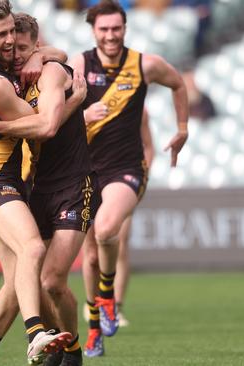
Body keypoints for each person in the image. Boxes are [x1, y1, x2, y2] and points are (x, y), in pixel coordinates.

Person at [0, 12, 97, 366]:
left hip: (68, 183)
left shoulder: (45, 70)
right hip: (12, 182)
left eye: (22, 44)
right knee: (31, 265)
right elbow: (41, 124)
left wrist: (45, 57)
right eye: (6, 40)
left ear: (36, 45)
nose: (15, 50)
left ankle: (59, 352)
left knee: (39, 280)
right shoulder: (1, 79)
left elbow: (47, 120)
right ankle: (36, 338)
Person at [68, 0, 189, 357]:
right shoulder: (78, 65)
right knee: (89, 256)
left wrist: (183, 128)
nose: (110, 35)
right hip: (84, 169)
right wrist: (82, 115)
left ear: (125, 28)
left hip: (126, 169)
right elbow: (54, 113)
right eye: (103, 29)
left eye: (116, 28)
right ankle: (94, 329)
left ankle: (108, 296)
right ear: (93, 32)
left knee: (107, 230)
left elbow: (178, 84)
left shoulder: (143, 64)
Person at [82, 107, 154, 328]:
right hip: (88, 181)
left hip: (122, 180)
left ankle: (115, 306)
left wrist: (140, 176)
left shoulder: (137, 108)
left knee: (120, 244)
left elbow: (149, 147)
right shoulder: (85, 105)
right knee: (92, 253)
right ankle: (92, 304)